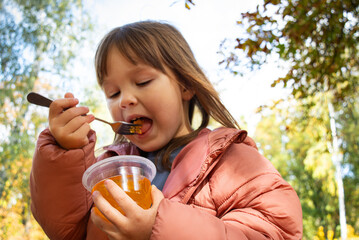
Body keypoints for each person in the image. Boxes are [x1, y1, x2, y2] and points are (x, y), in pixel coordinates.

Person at [30, 20, 303, 240]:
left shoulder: (230, 161)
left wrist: (158, 229)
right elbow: (66, 230)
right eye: (113, 93)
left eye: (143, 81)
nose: (125, 99)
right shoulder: (107, 168)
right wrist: (65, 152)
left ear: (185, 85)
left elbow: (274, 230)